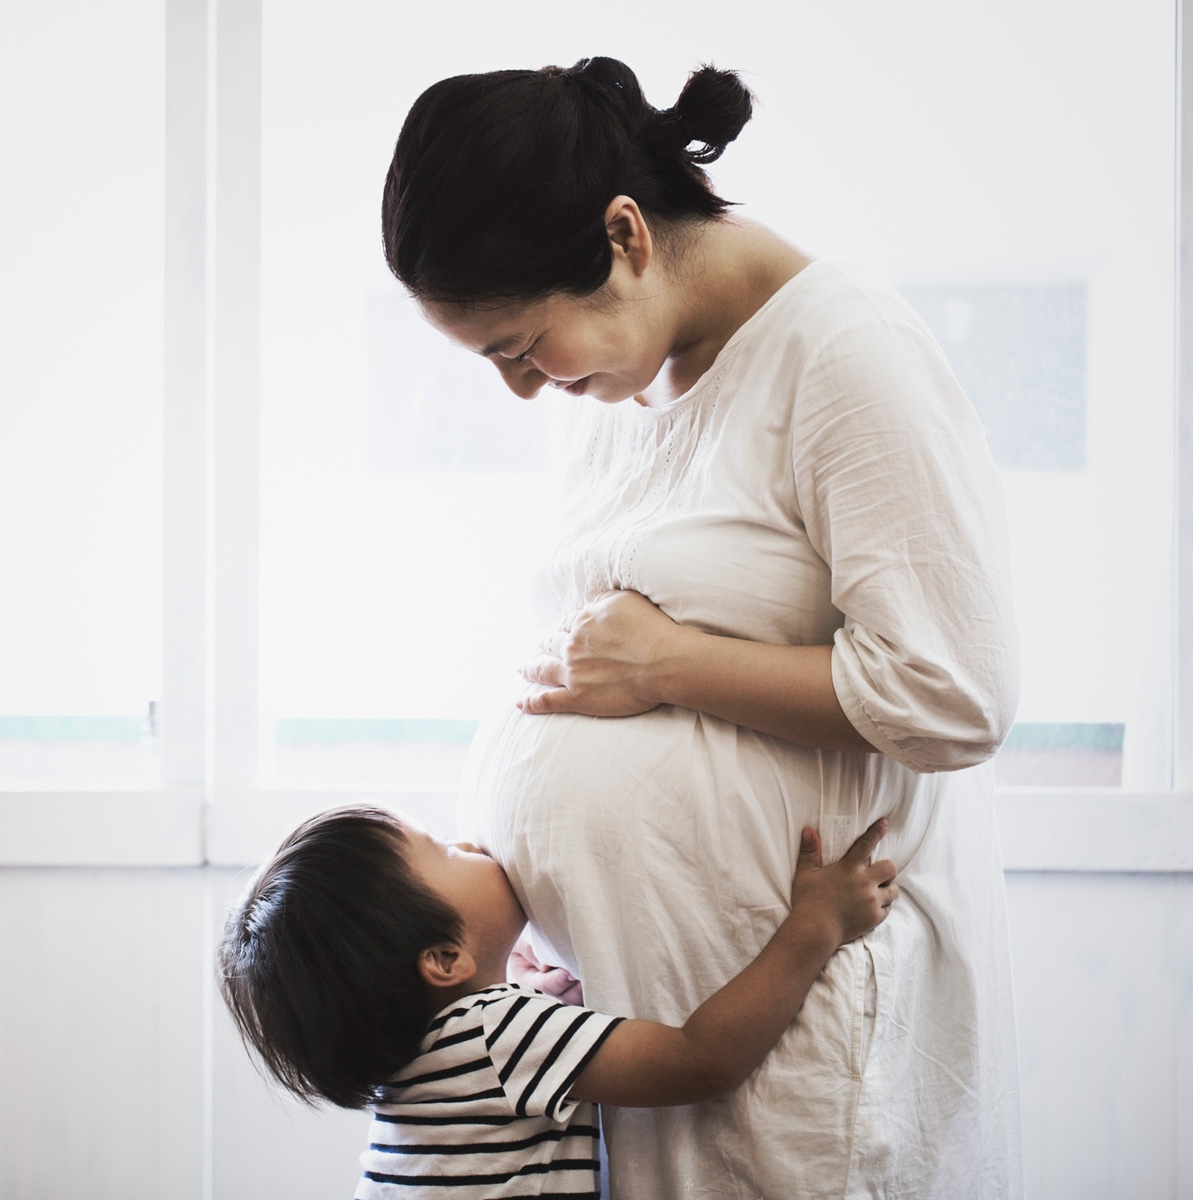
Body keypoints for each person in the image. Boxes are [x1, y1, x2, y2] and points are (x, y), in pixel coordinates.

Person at [382, 57, 1022, 1198]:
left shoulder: (844, 354)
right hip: (639, 1032)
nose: (524, 389)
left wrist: (673, 666)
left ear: (624, 236)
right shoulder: (629, 382)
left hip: (794, 1037)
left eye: (521, 347)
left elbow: (952, 692)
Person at [216, 803, 898, 1199]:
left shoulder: (414, 1071)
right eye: (447, 854)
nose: (473, 844)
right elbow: (701, 1060)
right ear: (445, 960)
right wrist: (817, 925)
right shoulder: (496, 1035)